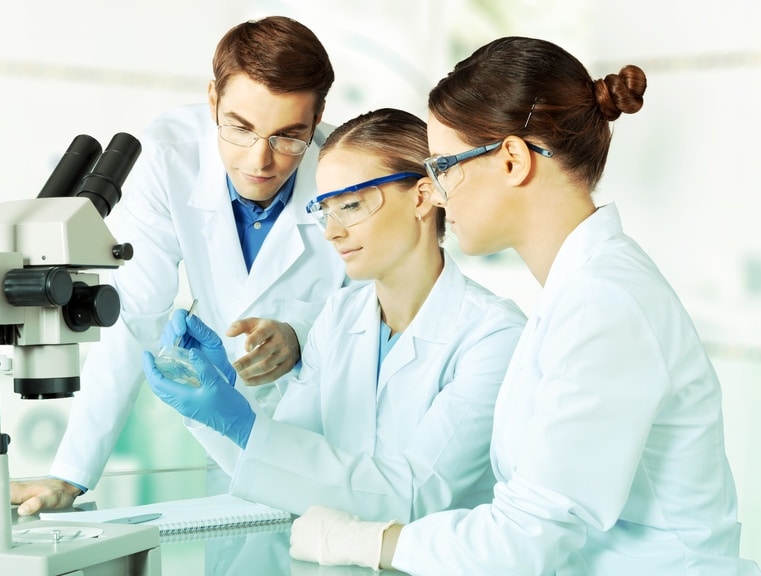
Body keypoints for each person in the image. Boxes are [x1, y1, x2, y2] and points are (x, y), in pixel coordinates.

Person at [288, 36, 761, 574]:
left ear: (512, 159)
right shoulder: (579, 291)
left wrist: (358, 542)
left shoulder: (604, 304)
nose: (436, 195)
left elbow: (525, 539)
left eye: (443, 167)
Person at [0, 15, 346, 517]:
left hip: (334, 438)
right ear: (212, 99)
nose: (259, 160)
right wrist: (71, 473)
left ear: (318, 118)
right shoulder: (170, 152)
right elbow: (131, 313)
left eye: (289, 136)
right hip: (224, 434)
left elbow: (382, 302)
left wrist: (302, 335)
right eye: (239, 128)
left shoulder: (347, 168)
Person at [142, 108, 526, 523]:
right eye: (326, 209)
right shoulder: (340, 316)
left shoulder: (494, 336)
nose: (331, 231)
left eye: (353, 205)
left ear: (421, 197)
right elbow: (286, 475)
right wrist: (222, 399)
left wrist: (240, 423)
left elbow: (416, 492)